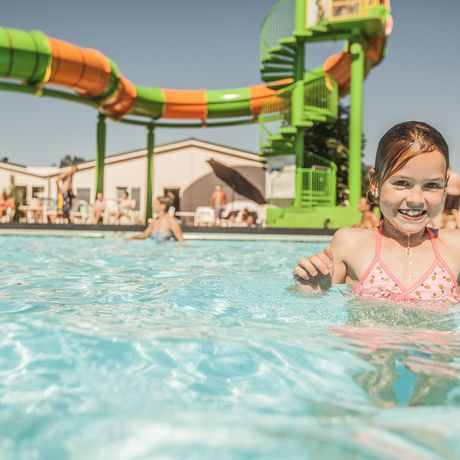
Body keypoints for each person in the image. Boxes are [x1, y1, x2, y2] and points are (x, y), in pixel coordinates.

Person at [293, 121, 460, 303]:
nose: (416, 199)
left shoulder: (455, 247)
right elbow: (313, 312)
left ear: (444, 186)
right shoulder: (350, 244)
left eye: (432, 185)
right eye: (402, 183)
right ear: (375, 183)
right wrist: (308, 291)